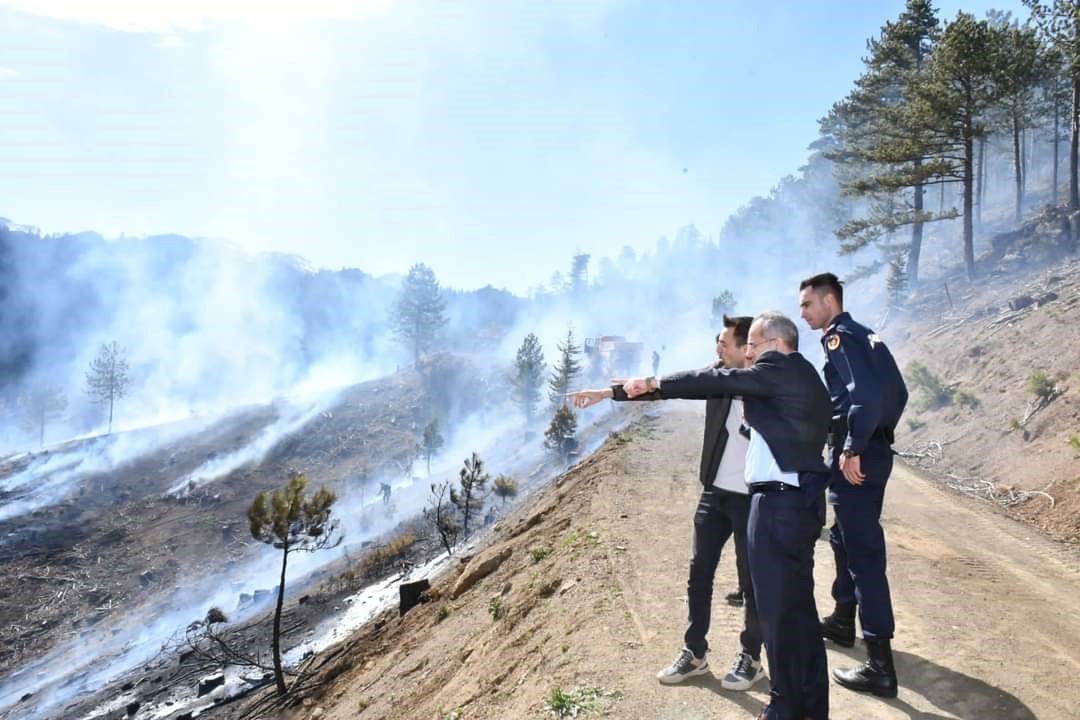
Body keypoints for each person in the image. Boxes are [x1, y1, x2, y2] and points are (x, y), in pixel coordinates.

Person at [572, 311, 832, 720]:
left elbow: (713, 382)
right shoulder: (789, 375)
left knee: (779, 612)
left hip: (778, 504)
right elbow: (697, 381)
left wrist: (654, 381)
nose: (747, 354)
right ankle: (803, 707)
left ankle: (783, 702)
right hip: (778, 501)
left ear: (776, 345)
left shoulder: (776, 371)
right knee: (792, 612)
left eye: (752, 346)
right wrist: (617, 391)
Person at [616, 317, 763, 690]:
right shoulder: (716, 378)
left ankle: (751, 656)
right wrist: (611, 393)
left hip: (753, 499)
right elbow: (674, 386)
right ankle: (694, 653)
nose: (717, 349)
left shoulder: (766, 381)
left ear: (745, 348)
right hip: (714, 494)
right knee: (699, 574)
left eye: (723, 344)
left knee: (752, 582)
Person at [798, 272, 908, 699]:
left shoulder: (838, 337)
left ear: (828, 301)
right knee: (843, 538)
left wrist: (853, 446)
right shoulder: (868, 336)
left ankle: (881, 666)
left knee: (863, 554)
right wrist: (877, 437)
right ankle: (844, 619)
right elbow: (896, 394)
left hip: (856, 454)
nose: (803, 312)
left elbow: (863, 397)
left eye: (807, 304)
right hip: (871, 449)